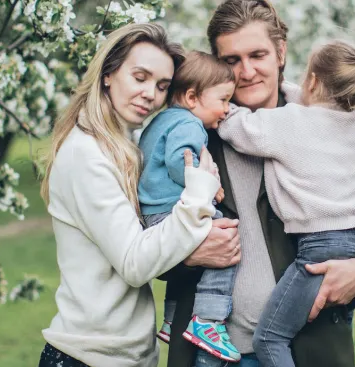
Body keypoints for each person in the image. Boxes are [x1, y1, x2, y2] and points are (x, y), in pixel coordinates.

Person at [163, 1, 355, 366]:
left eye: (257, 54)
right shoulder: (193, 133)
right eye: (232, 60)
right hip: (212, 354)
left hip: (306, 351)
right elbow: (144, 238)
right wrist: (188, 256)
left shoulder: (323, 123)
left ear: (280, 52)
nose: (247, 71)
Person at [37, 23, 241, 367]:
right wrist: (199, 193)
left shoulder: (125, 146)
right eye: (140, 77)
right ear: (108, 74)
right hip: (89, 356)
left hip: (126, 355)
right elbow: (134, 263)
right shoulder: (85, 154)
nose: (151, 94)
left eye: (162, 86)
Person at [216, 39, 355, 367]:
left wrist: (211, 101)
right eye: (232, 59)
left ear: (312, 82)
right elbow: (318, 104)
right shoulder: (348, 120)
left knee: (270, 338)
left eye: (258, 54)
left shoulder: (290, 123)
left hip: (319, 250)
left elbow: (238, 127)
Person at [137, 51, 243, 362]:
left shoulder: (163, 120)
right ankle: (208, 321)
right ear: (193, 97)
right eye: (223, 100)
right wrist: (207, 183)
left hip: (154, 213)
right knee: (225, 240)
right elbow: (179, 163)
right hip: (170, 211)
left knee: (189, 260)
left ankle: (172, 319)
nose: (226, 110)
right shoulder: (190, 124)